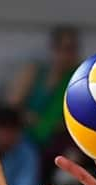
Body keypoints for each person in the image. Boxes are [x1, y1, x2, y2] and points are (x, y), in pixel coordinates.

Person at [5, 26, 80, 167]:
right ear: (53, 49)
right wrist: (27, 116)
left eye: (71, 49)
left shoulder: (78, 78)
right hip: (27, 137)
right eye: (63, 49)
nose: (66, 55)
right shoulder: (34, 73)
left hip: (60, 140)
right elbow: (12, 106)